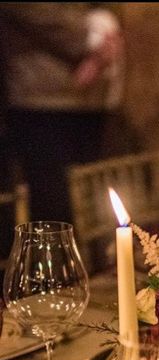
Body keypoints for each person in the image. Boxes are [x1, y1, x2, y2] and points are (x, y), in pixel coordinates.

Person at [0, 3, 124, 222]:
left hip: (92, 99)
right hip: (42, 100)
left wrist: (107, 27)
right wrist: (93, 40)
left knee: (90, 207)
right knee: (54, 207)